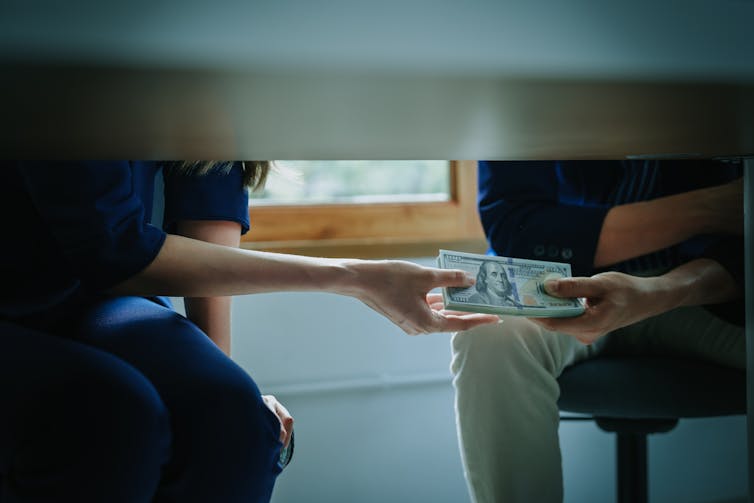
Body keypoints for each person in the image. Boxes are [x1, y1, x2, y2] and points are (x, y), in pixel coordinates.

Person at [0, 161, 499, 503]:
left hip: (100, 298)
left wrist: (220, 377)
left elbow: (205, 209)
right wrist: (354, 277)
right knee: (112, 412)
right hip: (35, 290)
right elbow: (112, 249)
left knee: (233, 418)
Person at [450, 160, 744, 503]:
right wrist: (709, 207)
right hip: (565, 283)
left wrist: (665, 289)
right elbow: (517, 229)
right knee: (489, 333)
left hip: (711, 287)